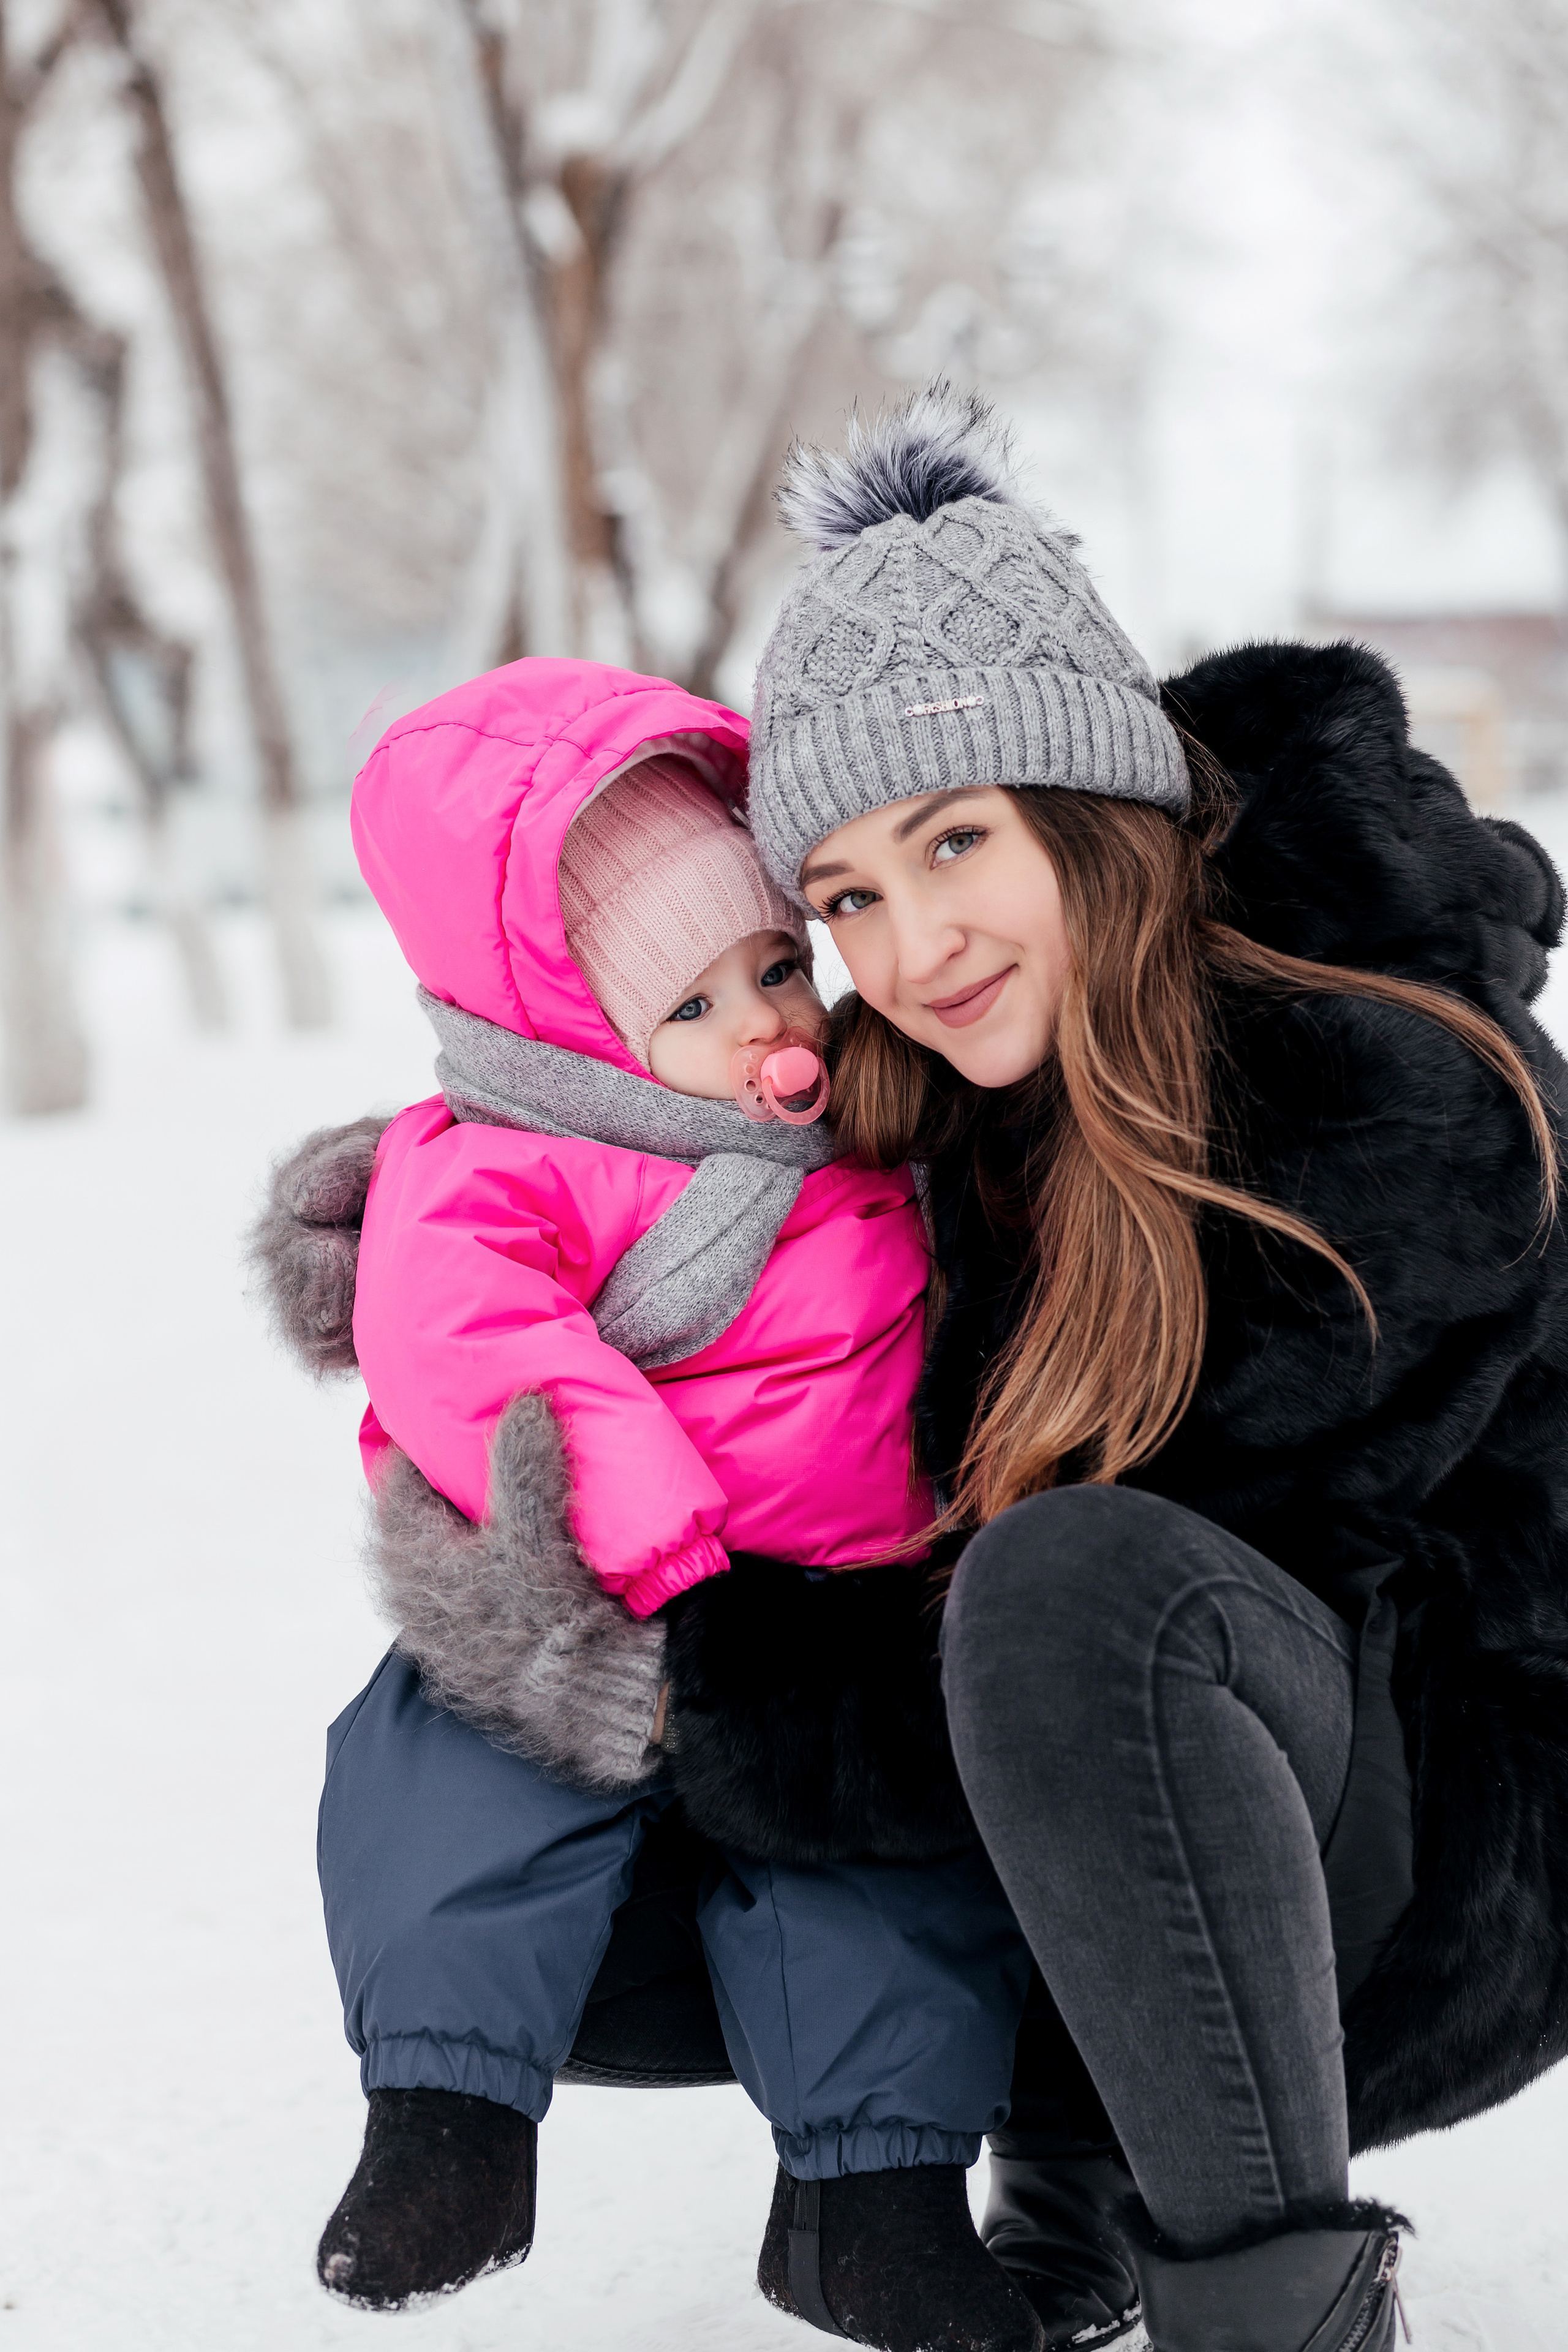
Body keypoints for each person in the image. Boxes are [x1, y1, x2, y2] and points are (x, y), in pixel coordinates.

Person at [701, 380, 1568, 2352]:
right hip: (1137, 1786)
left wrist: (756, 1704)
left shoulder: (1381, 1103)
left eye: (954, 844)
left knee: (1066, 1585)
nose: (910, 944)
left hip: (1432, 1846)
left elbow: (1158, 1610)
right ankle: (1062, 2182)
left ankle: (1275, 2307)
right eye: (847, 897)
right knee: (531, 1728)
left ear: (1092, 811)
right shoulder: (928, 1134)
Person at [253, 663, 1046, 2352]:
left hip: (838, 1610)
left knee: (887, 1876)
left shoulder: (871, 1131)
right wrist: (660, 1552)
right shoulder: (495, 1163)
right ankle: (448, 2120)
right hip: (602, 1595)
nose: (771, 1029)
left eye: (779, 968)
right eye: (699, 1006)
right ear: (566, 1028)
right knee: (441, 1777)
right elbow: (474, 1342)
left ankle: (876, 2204)